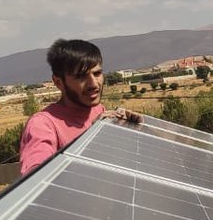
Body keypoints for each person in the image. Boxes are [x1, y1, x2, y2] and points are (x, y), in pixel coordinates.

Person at [19, 38, 139, 175]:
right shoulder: (42, 124)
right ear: (58, 82)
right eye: (81, 77)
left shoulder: (98, 110)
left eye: (97, 73)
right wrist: (90, 136)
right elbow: (36, 176)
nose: (94, 84)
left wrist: (125, 130)